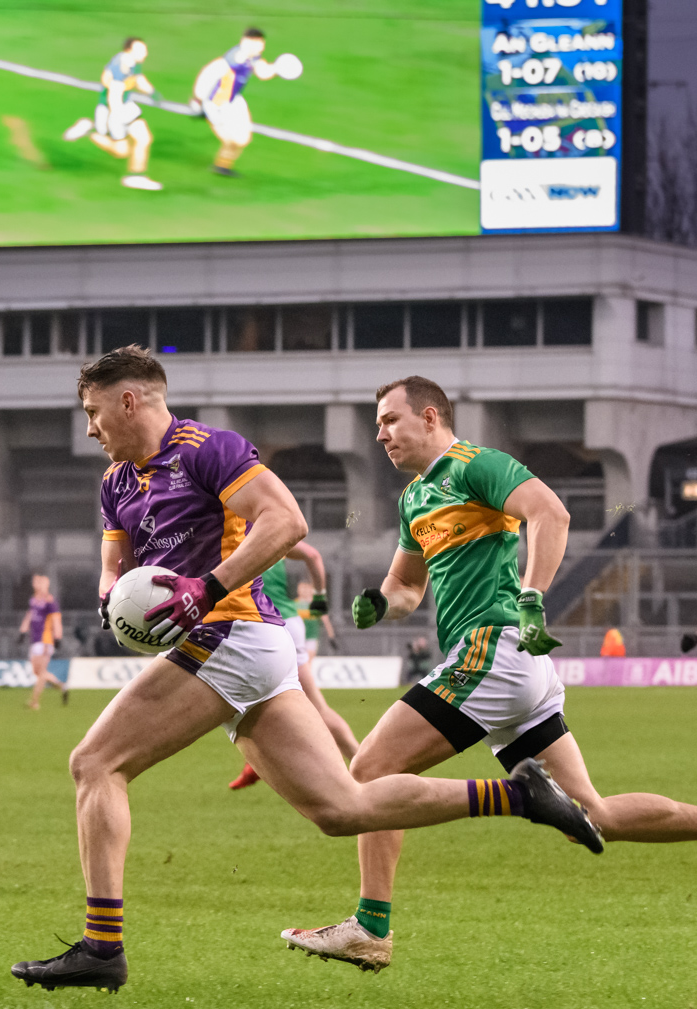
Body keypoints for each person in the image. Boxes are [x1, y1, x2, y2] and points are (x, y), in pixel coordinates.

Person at [11, 349, 602, 994]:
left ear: (131, 401)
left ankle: (102, 947)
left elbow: (287, 521)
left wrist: (205, 589)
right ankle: (520, 794)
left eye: (94, 413)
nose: (90, 429)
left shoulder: (210, 449)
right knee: (342, 809)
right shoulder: (116, 483)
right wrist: (111, 593)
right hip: (247, 647)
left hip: (229, 633)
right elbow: (114, 561)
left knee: (95, 762)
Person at [280, 376, 697, 974]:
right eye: (377, 424)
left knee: (369, 773)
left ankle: (370, 930)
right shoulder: (414, 499)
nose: (380, 434)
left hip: (492, 650)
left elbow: (549, 512)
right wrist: (381, 603)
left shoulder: (475, 465)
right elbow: (407, 587)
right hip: (512, 669)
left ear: (429, 417)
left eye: (390, 420)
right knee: (591, 817)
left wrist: (533, 595)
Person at [228, 547, 359, 789]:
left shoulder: (233, 529)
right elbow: (314, 556)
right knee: (260, 703)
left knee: (243, 704)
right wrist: (320, 597)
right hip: (283, 621)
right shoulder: (272, 527)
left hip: (266, 624)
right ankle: (256, 764)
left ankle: (362, 762)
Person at [63, 38, 163, 191]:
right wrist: (116, 121)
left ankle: (136, 176)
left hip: (126, 106)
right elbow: (114, 97)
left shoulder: (132, 62)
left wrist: (151, 92)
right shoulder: (120, 68)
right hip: (112, 110)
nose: (145, 53)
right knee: (121, 152)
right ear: (129, 50)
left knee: (144, 137)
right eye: (141, 50)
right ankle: (90, 130)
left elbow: (138, 78)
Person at [190, 28, 280, 177]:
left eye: (261, 43)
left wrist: (278, 68)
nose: (261, 47)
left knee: (243, 140)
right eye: (257, 43)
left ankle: (222, 166)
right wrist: (197, 100)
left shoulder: (253, 57)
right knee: (231, 140)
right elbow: (207, 74)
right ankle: (222, 165)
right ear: (246, 42)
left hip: (234, 101)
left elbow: (263, 73)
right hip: (215, 105)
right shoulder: (230, 61)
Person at [19, 574, 67, 710]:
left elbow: (56, 620)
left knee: (41, 672)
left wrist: (57, 637)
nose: (36, 584)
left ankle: (34, 702)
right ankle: (61, 686)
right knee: (37, 672)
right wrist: (22, 632)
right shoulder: (34, 600)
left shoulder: (49, 601)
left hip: (45, 640)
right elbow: (29, 616)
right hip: (34, 640)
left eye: (39, 582)